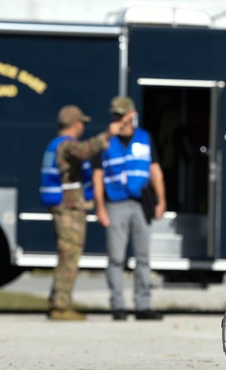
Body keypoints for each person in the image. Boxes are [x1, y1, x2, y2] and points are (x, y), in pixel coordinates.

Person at [40, 104, 130, 321]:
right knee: (70, 256)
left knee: (66, 255)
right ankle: (61, 306)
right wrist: (108, 134)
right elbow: (83, 151)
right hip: (69, 209)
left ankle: (57, 302)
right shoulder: (66, 146)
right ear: (75, 124)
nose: (83, 128)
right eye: (82, 123)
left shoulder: (55, 145)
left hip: (64, 207)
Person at [93, 96, 166, 321]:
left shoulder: (144, 138)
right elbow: (98, 176)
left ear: (132, 115)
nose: (118, 119)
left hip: (141, 204)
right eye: (115, 115)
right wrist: (100, 208)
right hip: (115, 204)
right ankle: (118, 306)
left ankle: (143, 306)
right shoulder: (104, 141)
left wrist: (161, 200)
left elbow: (155, 170)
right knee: (116, 258)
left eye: (122, 115)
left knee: (143, 258)